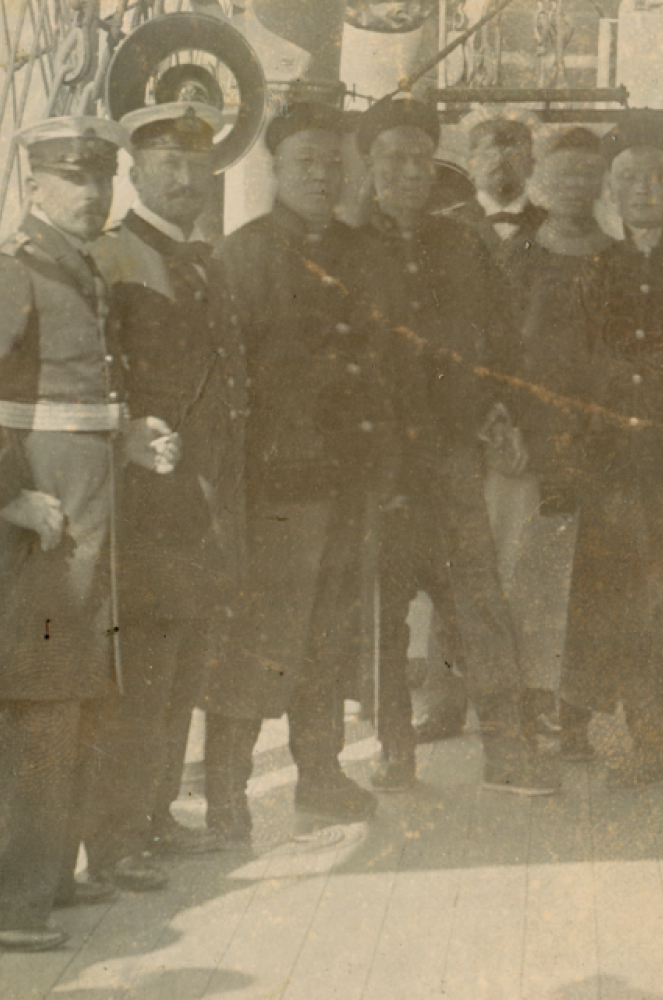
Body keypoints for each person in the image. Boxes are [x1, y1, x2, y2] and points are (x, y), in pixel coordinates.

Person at [353, 94, 559, 796]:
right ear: (368, 164)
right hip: (376, 466)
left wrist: (500, 411)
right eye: (393, 158)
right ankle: (392, 751)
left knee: (479, 602)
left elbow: (503, 346)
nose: (410, 171)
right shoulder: (345, 246)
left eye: (421, 158)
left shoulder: (461, 245)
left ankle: (509, 752)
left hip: (450, 461)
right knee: (382, 613)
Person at [80, 100, 248, 889]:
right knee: (140, 675)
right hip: (144, 506)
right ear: (136, 170)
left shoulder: (202, 260)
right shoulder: (111, 258)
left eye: (197, 161)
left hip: (203, 502)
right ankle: (114, 840)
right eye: (167, 163)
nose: (185, 177)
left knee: (182, 668)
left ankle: (153, 816)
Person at [210, 101, 378, 836]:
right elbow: (224, 388)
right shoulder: (240, 257)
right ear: (275, 169)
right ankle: (225, 792)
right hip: (275, 489)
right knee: (258, 641)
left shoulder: (361, 252)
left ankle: (320, 770)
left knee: (331, 634)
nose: (320, 174)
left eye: (331, 163)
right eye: (305, 161)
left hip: (349, 482)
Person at [0, 116, 141, 950]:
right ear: (35, 186)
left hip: (86, 494)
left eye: (101, 177)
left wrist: (134, 432)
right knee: (41, 697)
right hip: (43, 510)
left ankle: (49, 879)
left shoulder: (77, 268)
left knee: (79, 691)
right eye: (73, 177)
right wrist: (7, 495)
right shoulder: (13, 272)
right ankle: (16, 905)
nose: (94, 193)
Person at [554, 116, 663, 788]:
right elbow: (578, 365)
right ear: (610, 191)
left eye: (658, 177)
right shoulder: (596, 269)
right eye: (629, 179)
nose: (645, 190)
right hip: (613, 466)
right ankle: (645, 737)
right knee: (621, 598)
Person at [496, 126, 612, 759]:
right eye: (559, 173)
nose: (572, 185)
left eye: (585, 173)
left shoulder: (620, 258)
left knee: (589, 581)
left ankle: (577, 715)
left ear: (601, 182)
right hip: (528, 447)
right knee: (528, 577)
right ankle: (525, 707)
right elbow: (492, 350)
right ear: (538, 178)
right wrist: (505, 424)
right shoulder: (515, 259)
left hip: (599, 448)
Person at [450, 107, 546, 250]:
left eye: (513, 149)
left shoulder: (551, 224)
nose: (500, 157)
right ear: (470, 164)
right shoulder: (450, 223)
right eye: (487, 151)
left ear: (532, 164)